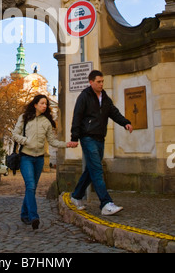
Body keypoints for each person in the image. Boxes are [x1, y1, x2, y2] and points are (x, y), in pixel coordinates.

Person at [70, 70, 133, 216]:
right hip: (87, 137)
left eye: (102, 81)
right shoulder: (84, 96)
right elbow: (77, 117)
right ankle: (106, 203)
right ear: (91, 82)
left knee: (91, 170)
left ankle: (76, 196)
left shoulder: (104, 98)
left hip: (100, 138)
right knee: (97, 169)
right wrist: (74, 138)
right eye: (98, 82)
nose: (101, 84)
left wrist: (125, 123)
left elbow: (114, 112)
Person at [12, 94, 77, 229]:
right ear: (35, 104)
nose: (44, 106)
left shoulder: (46, 122)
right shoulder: (24, 118)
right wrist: (26, 141)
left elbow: (52, 141)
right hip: (26, 157)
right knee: (30, 186)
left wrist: (67, 144)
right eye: (42, 103)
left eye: (46, 104)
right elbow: (15, 135)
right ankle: (33, 216)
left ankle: (24, 214)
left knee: (32, 188)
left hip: (39, 159)